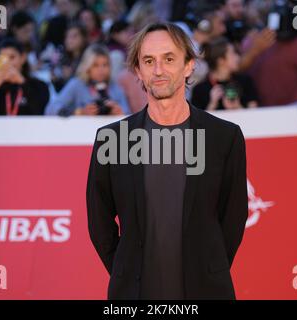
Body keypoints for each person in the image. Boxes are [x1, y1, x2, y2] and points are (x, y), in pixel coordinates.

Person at [87, 22, 248, 300]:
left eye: (169, 59)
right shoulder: (111, 139)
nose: (158, 70)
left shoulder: (225, 137)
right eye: (149, 61)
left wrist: (209, 270)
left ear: (188, 66)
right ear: (138, 70)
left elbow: (232, 218)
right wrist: (125, 271)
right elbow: (99, 221)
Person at [45, 43, 128, 116]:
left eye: (105, 65)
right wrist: (79, 112)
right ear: (87, 67)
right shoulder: (77, 84)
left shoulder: (115, 87)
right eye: (95, 65)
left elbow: (129, 114)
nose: (101, 70)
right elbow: (50, 109)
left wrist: (120, 113)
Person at [0, 38, 49, 115]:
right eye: (3, 59)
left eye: (12, 57)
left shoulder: (38, 85)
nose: (7, 63)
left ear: (23, 58)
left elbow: (39, 109)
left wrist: (22, 82)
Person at [191, 37, 258, 110]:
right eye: (233, 53)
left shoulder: (245, 82)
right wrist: (212, 104)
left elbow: (255, 115)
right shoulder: (200, 90)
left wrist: (238, 107)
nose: (237, 57)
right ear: (221, 61)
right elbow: (197, 120)